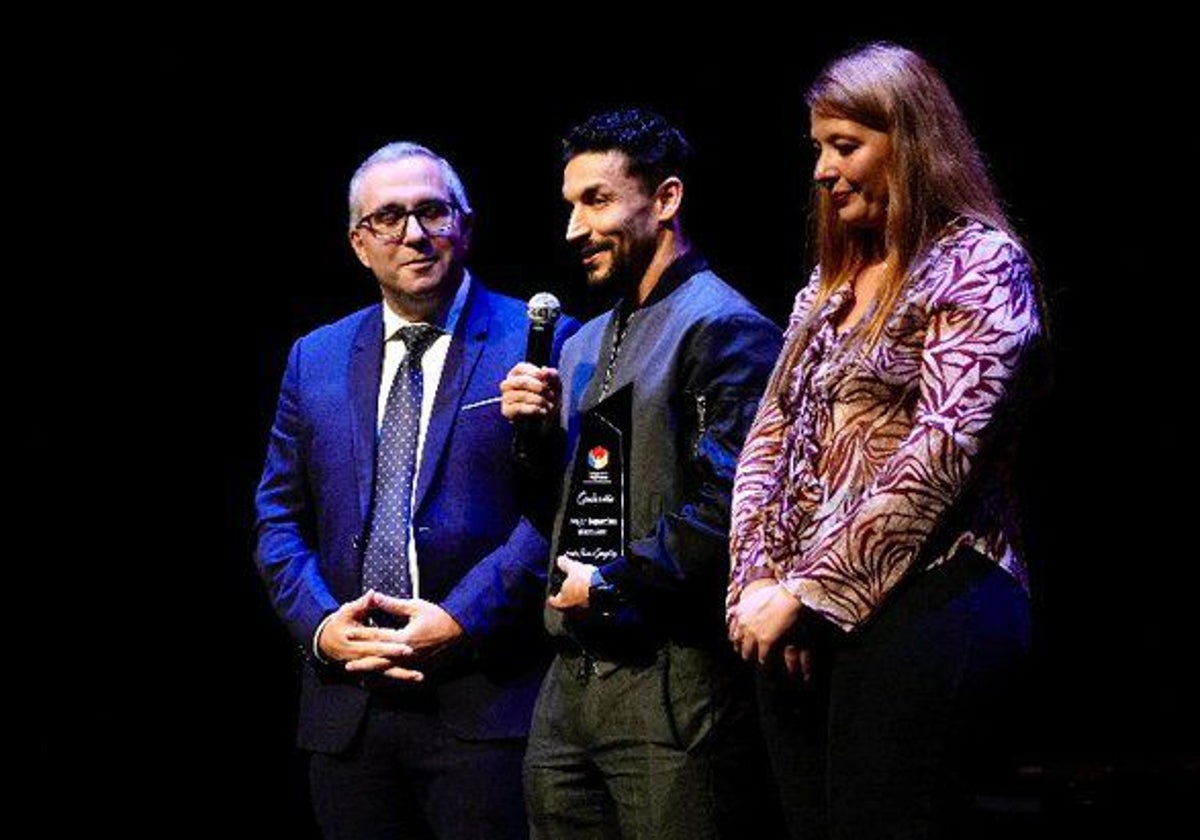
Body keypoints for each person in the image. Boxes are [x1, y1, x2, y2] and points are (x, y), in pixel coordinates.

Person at [726, 43, 1047, 838]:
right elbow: (770, 437)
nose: (822, 172)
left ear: (908, 143)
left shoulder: (978, 263)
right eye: (817, 150)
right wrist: (760, 586)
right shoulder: (831, 286)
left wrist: (809, 595)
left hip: (937, 593)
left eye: (846, 146)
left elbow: (941, 448)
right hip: (806, 614)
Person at [254, 141, 576, 840]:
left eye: (432, 211)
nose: (414, 233)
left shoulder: (541, 340)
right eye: (390, 217)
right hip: (350, 712)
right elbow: (278, 516)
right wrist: (320, 628)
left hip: (486, 705)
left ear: (465, 222)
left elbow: (561, 505)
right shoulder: (317, 356)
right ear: (358, 242)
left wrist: (463, 619)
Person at [501, 109, 783, 839]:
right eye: (569, 205)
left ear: (665, 200)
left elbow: (736, 507)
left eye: (595, 201)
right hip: (571, 681)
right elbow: (554, 512)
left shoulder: (722, 326)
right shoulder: (583, 343)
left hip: (671, 680)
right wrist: (531, 438)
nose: (572, 229)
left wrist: (615, 581)